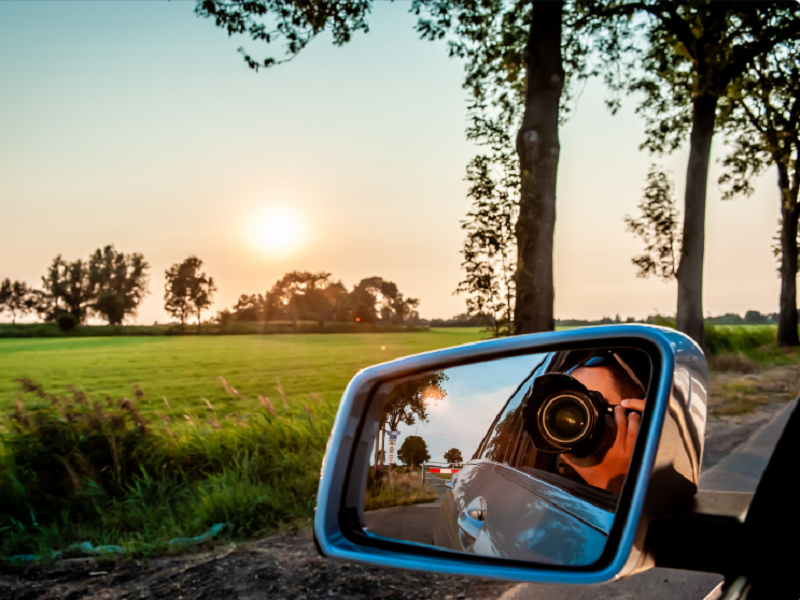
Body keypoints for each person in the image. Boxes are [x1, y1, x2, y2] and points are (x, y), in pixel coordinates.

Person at [559, 352, 648, 495]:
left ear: (636, 417)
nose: (575, 426)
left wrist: (617, 483)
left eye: (596, 406)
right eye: (569, 407)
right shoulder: (561, 468)